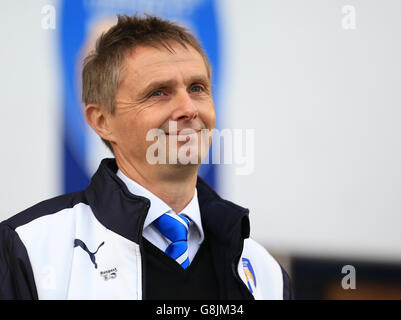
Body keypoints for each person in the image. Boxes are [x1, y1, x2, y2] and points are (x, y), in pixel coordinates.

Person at [0, 14, 292, 300]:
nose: (189, 109)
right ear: (102, 120)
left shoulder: (266, 274)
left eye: (197, 88)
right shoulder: (28, 250)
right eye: (159, 93)